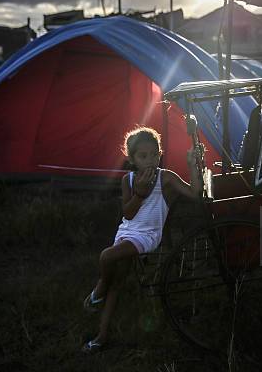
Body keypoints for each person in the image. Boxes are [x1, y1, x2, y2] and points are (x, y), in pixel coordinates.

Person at [82, 126, 203, 353]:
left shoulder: (166, 178)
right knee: (117, 283)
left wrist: (191, 164)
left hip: (148, 236)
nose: (150, 161)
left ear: (160, 154)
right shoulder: (128, 180)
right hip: (127, 231)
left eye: (154, 155)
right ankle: (101, 337)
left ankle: (98, 290)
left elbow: (195, 194)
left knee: (106, 256)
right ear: (132, 159)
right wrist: (140, 193)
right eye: (143, 156)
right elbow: (128, 214)